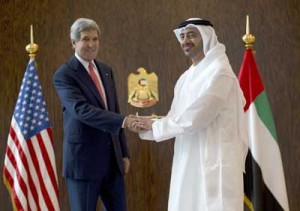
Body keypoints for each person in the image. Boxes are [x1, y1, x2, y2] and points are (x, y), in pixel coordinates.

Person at [134, 18, 249, 211]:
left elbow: (197, 117)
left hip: (215, 161)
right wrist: (148, 123)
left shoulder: (220, 72)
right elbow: (175, 116)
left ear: (207, 37)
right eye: (182, 36)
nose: (185, 40)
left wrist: (154, 126)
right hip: (187, 159)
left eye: (192, 35)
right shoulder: (185, 78)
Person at [53, 18, 138, 211]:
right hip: (83, 163)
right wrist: (125, 121)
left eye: (95, 39)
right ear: (74, 42)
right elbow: (81, 110)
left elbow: (114, 109)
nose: (91, 44)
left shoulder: (106, 70)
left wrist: (123, 153)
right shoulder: (64, 74)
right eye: (85, 39)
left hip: (112, 162)